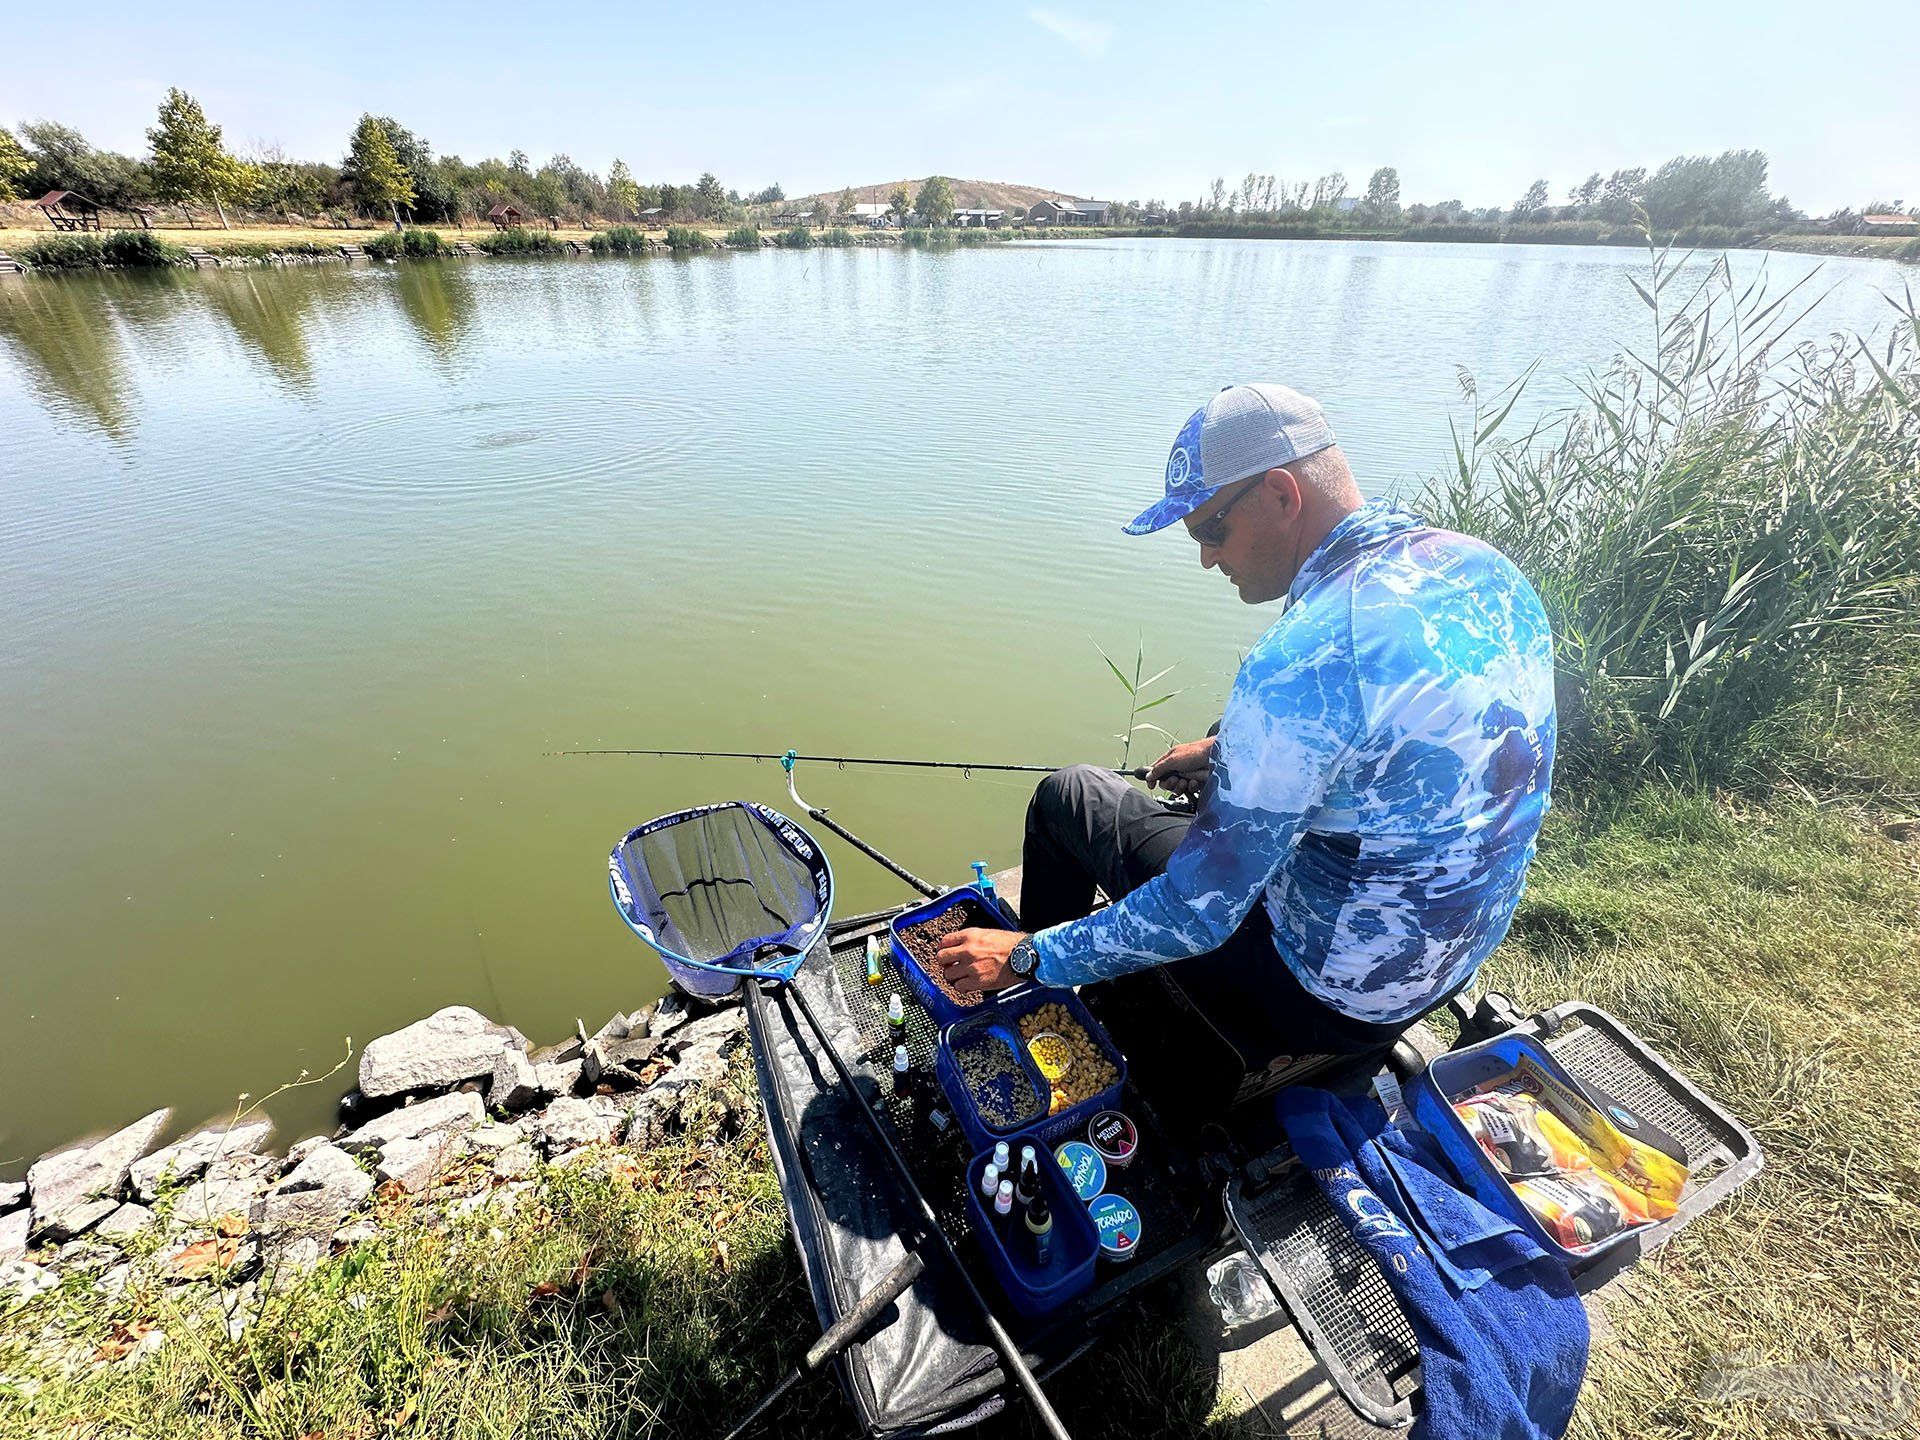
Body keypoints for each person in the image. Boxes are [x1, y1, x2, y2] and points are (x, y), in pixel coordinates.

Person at [937, 383, 1558, 1117]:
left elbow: (1199, 913)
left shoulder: (1300, 660)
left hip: (1324, 995)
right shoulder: (1480, 570)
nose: (1205, 559)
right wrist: (1227, 746)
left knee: (1071, 795)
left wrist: (1026, 955)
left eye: (1211, 530)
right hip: (1446, 963)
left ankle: (1028, 992)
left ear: (1280, 492)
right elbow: (1391, 725)